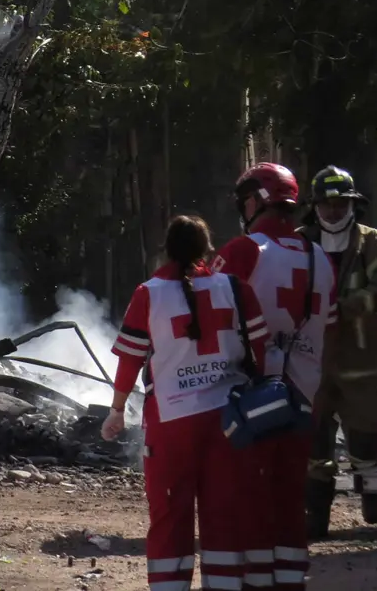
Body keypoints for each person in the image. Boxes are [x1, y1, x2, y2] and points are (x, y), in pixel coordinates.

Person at [103, 215, 269, 591]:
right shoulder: (236, 288)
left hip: (171, 424)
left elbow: (130, 360)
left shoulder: (148, 293)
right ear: (208, 250)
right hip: (229, 422)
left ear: (167, 249)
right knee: (224, 516)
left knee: (169, 517)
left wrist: (116, 411)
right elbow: (260, 350)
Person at [211, 163, 338, 591]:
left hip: (252, 399)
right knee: (288, 501)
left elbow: (207, 315)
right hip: (303, 397)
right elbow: (331, 331)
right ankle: (289, 582)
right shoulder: (320, 258)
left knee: (248, 497)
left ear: (254, 201)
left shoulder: (244, 250)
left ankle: (256, 583)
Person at [298, 165, 377, 537]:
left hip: (359, 361)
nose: (333, 211)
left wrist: (345, 306)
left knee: (365, 437)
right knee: (314, 443)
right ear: (315, 206)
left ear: (353, 205)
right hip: (312, 362)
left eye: (341, 204)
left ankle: (370, 488)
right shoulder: (300, 242)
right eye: (326, 204)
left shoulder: (372, 242)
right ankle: (316, 517)